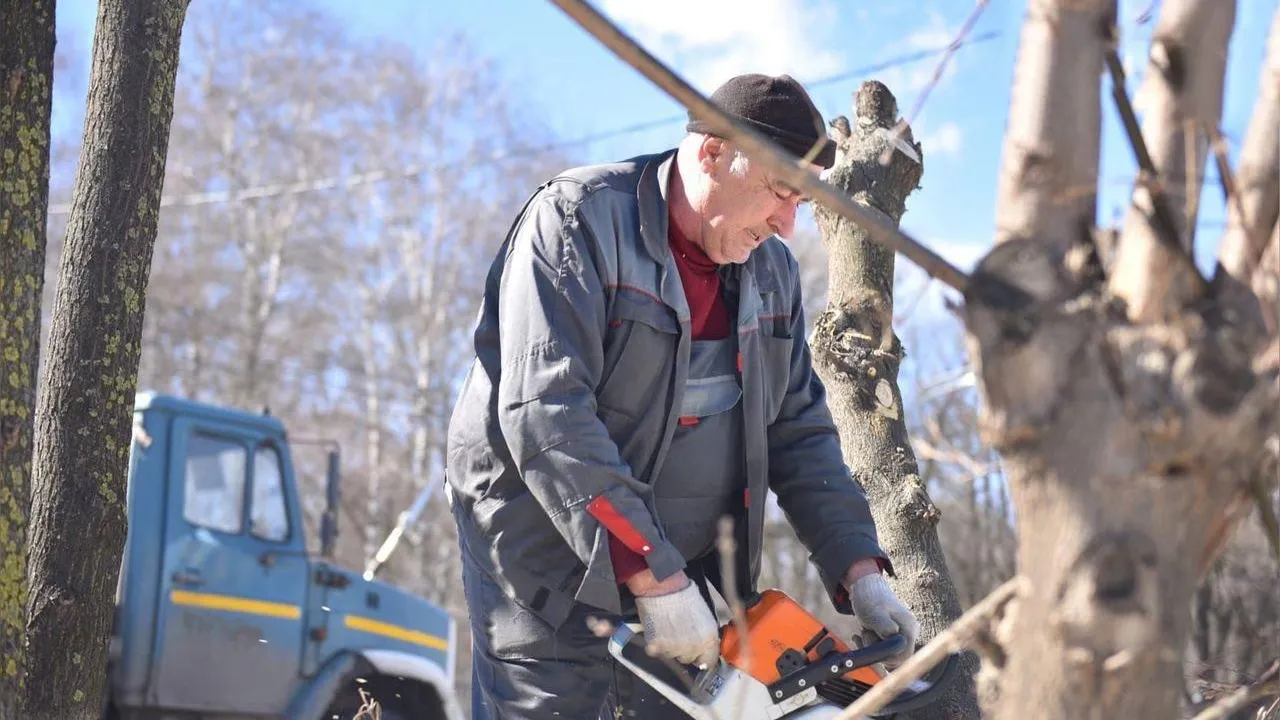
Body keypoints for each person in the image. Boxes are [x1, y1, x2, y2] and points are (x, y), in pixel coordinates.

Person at [444, 72, 919, 719]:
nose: (786, 224)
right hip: (544, 564)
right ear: (712, 153)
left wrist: (859, 566)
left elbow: (798, 430)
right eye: (782, 192)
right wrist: (649, 567)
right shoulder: (578, 223)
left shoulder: (772, 275)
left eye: (801, 203)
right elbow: (547, 414)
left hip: (678, 573)